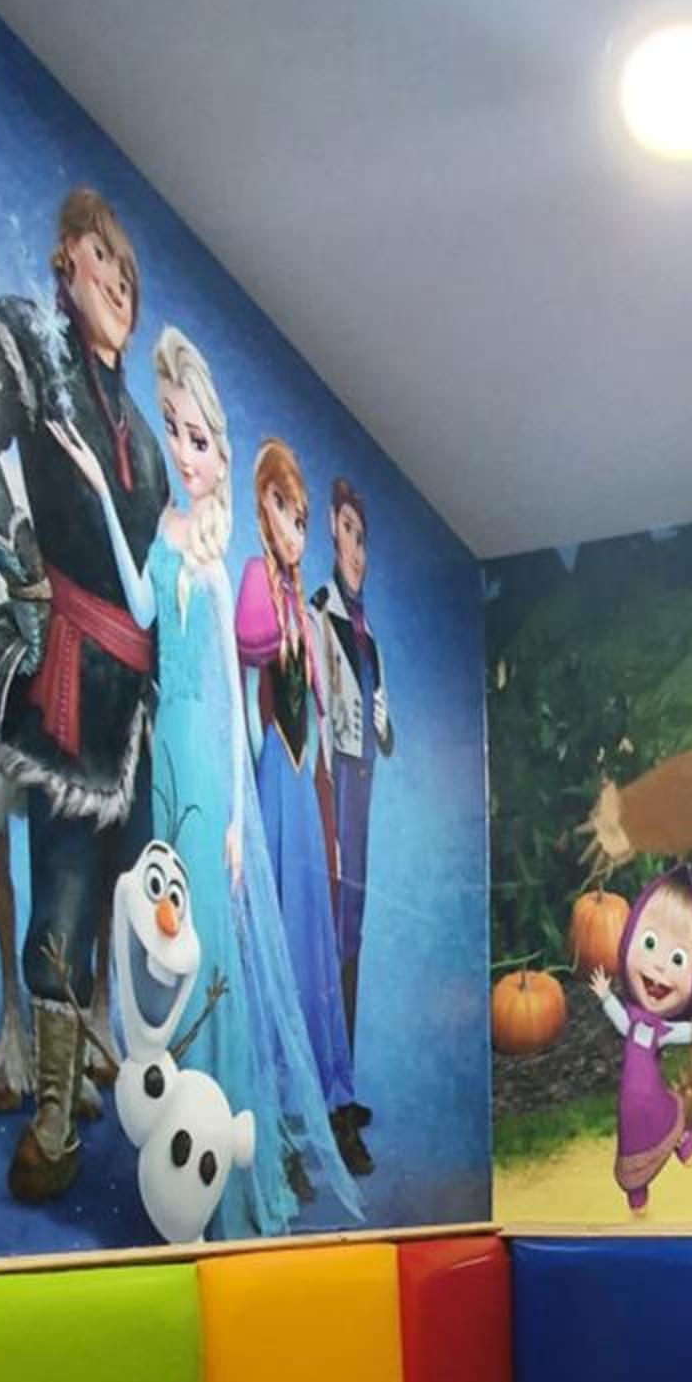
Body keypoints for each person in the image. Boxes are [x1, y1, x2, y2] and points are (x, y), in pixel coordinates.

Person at [50, 331, 360, 1236]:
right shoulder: (166, 536)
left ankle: (225, 1172)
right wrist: (103, 491)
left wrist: (233, 817)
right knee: (168, 939)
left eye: (198, 438)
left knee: (212, 950)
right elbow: (142, 610)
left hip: (207, 764)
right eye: (174, 432)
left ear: (220, 453)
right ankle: (174, 1152)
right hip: (167, 759)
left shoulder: (223, 562)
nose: (185, 454)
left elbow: (230, 693)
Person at [0, 188, 166, 1201]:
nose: (119, 283)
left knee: (138, 898)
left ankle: (123, 1077)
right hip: (69, 678)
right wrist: (16, 548)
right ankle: (55, 1122)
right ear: (67, 257)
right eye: (104, 259)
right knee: (63, 889)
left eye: (129, 274)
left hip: (138, 699)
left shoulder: (137, 424)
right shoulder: (34, 344)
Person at [235, 441, 367, 1175]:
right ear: (264, 507)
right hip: (271, 788)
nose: (296, 529)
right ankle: (281, 1120)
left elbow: (319, 716)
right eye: (284, 510)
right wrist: (272, 573)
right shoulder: (260, 583)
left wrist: (331, 826)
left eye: (302, 518)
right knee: (279, 951)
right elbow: (250, 640)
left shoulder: (304, 608)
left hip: (306, 790)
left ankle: (326, 1103)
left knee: (315, 949)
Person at [310, 477, 393, 1171]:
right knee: (330, 936)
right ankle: (329, 1101)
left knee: (353, 936)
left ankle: (344, 1083)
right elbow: (312, 713)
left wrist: (383, 720)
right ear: (330, 539)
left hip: (361, 786)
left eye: (363, 538)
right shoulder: (318, 617)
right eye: (347, 534)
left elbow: (382, 726)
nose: (357, 550)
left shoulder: (369, 636)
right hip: (331, 787)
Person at [585, 865, 692, 1215]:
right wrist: (605, 997)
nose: (659, 966)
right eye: (649, 944)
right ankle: (636, 1186)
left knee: (664, 1117)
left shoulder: (658, 1029)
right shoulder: (633, 1022)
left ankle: (681, 1138)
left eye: (677, 959)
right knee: (632, 1135)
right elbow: (619, 1020)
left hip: (652, 1099)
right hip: (630, 1104)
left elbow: (675, 1032)